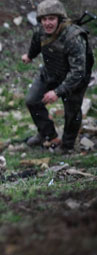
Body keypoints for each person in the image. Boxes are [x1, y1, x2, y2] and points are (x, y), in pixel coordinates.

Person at [22, 0, 94, 153]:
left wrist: (57, 92)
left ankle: (67, 146)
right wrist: (29, 56)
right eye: (44, 19)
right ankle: (47, 134)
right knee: (32, 100)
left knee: (72, 112)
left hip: (75, 78)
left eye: (52, 19)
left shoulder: (74, 37)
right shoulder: (40, 30)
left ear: (59, 19)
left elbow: (78, 72)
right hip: (50, 71)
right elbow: (36, 43)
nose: (47, 23)